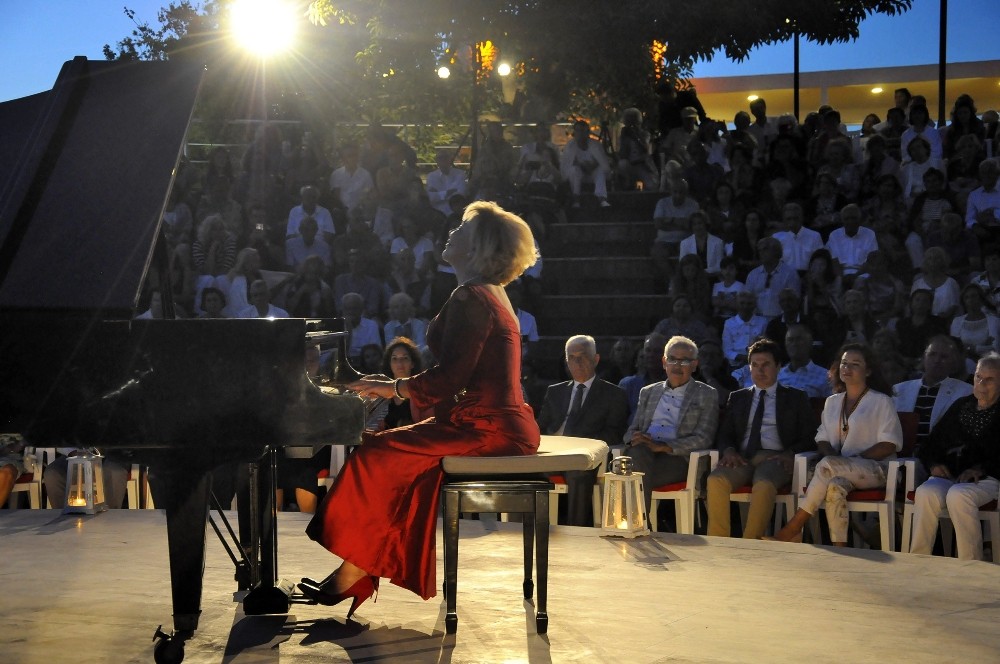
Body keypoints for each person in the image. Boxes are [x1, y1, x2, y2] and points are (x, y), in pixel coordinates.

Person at [299, 201, 540, 613]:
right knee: (387, 452)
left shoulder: (471, 296)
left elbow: (450, 378)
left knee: (376, 453)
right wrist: (390, 386)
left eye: (461, 230)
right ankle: (358, 567)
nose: (451, 233)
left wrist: (393, 388)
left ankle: (355, 570)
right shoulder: (491, 294)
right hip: (492, 423)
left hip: (485, 428)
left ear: (477, 246)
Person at [769, 343, 903, 546]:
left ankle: (794, 526)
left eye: (855, 364)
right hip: (838, 469)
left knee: (829, 465)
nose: (847, 368)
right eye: (844, 363)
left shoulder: (881, 401)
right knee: (834, 487)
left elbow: (889, 444)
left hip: (877, 469)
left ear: (868, 371)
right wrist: (834, 457)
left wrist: (849, 461)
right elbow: (821, 438)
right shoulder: (832, 402)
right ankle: (841, 548)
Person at [706, 339, 816, 539]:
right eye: (755, 365)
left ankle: (751, 543)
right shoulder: (738, 397)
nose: (760, 370)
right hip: (743, 457)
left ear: (778, 366)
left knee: (764, 484)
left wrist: (790, 454)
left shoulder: (795, 398)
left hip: (775, 458)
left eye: (765, 364)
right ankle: (718, 542)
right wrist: (729, 450)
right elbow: (725, 434)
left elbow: (810, 436)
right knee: (716, 480)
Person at [909, 353, 1000, 560]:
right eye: (978, 377)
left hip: (987, 479)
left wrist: (981, 469)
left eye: (990, 379)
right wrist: (934, 464)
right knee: (926, 493)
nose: (982, 383)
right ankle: (917, 561)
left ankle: (970, 566)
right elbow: (931, 443)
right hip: (950, 476)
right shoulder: (961, 406)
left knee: (959, 496)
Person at [536, 335, 629, 526]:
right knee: (519, 467)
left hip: (583, 454)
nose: (577, 362)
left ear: (595, 359)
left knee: (578, 471)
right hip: (551, 452)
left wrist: (580, 445)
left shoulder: (614, 394)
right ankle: (521, 528)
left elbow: (614, 433)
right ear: (566, 361)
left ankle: (576, 532)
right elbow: (541, 427)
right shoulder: (555, 391)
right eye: (572, 357)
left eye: (583, 356)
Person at [623, 336, 719, 512]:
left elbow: (704, 438)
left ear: (695, 365)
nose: (677, 366)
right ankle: (639, 522)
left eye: (685, 361)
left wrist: (663, 447)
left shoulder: (707, 394)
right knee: (636, 454)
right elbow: (631, 430)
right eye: (673, 359)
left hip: (679, 459)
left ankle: (632, 522)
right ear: (664, 362)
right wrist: (635, 438)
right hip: (643, 453)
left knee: (627, 473)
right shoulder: (648, 392)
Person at [894, 335, 973, 449]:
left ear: (953, 362)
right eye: (932, 354)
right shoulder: (899, 390)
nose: (937, 360)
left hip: (940, 458)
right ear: (924, 357)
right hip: (900, 457)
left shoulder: (966, 392)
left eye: (944, 357)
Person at [560, 120, 611, 208]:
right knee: (575, 170)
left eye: (583, 131)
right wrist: (582, 165)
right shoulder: (570, 146)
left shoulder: (596, 145)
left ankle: (602, 199)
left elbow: (602, 163)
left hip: (592, 174)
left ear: (588, 132)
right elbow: (567, 165)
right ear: (575, 132)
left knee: (600, 170)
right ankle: (576, 199)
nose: (580, 133)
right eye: (578, 131)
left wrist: (591, 166)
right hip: (577, 176)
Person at [778, 324, 833, 399]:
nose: (794, 344)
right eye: (790, 340)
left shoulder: (825, 377)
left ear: (810, 343)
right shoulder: (776, 375)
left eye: (799, 339)